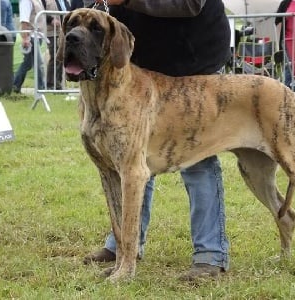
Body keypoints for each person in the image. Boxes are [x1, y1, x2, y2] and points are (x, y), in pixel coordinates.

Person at [82, 0, 231, 281]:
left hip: (193, 54)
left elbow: (190, 3)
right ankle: (124, 246)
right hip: (140, 55)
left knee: (198, 160)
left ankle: (210, 254)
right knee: (131, 157)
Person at [13, 0, 46, 94]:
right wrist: (25, 38)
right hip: (31, 36)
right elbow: (24, 21)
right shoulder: (26, 1)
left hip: (37, 36)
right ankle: (41, 90)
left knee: (27, 64)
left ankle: (15, 86)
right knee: (39, 64)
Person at [44, 0, 70, 90]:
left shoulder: (65, 1)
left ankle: (58, 83)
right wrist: (51, 20)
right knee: (55, 57)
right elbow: (41, 12)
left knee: (60, 58)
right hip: (52, 33)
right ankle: (50, 84)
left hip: (63, 32)